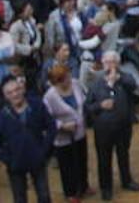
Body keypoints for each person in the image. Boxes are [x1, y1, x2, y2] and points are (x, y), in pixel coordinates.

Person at [84, 51, 139, 199]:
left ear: (118, 63)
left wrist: (118, 78)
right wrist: (100, 105)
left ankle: (127, 180)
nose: (110, 65)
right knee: (104, 159)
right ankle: (106, 188)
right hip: (103, 130)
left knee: (123, 155)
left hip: (123, 126)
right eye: (107, 62)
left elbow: (134, 86)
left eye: (113, 62)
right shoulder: (96, 84)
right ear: (103, 64)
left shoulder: (125, 78)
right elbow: (88, 107)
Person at [0, 75, 57, 203]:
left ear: (22, 89)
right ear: (5, 96)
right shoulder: (2, 116)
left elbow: (51, 127)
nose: (15, 94)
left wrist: (44, 150)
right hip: (16, 165)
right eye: (10, 92)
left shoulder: (37, 105)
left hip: (37, 160)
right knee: (19, 198)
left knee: (44, 195)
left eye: (17, 90)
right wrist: (8, 160)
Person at [42, 63, 91, 203]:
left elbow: (84, 100)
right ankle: (70, 192)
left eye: (68, 77)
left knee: (82, 159)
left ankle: (84, 185)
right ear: (56, 81)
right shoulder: (49, 96)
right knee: (67, 165)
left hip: (80, 131)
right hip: (63, 138)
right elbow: (47, 119)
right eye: (63, 79)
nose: (67, 81)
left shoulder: (75, 84)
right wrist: (62, 125)